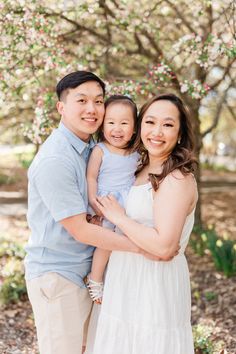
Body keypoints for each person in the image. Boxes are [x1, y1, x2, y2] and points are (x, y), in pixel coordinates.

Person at [24, 71, 164, 354]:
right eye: (82, 100)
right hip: (59, 276)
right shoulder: (56, 159)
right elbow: (81, 229)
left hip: (85, 272)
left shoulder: (90, 147)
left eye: (98, 101)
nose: (92, 109)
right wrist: (146, 245)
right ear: (61, 107)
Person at [89, 93, 198, 354]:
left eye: (168, 124)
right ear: (140, 127)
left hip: (155, 284)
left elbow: (164, 247)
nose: (157, 132)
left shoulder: (176, 179)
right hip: (124, 276)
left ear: (180, 133)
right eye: (150, 122)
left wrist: (118, 217)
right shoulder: (138, 169)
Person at [85, 95, 139, 304]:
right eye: (111, 122)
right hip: (107, 203)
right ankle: (95, 279)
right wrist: (93, 201)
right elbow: (91, 176)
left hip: (128, 206)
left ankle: (121, 281)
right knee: (106, 242)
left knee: (129, 241)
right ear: (102, 124)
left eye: (124, 123)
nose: (117, 128)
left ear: (134, 128)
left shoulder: (136, 153)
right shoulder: (101, 150)